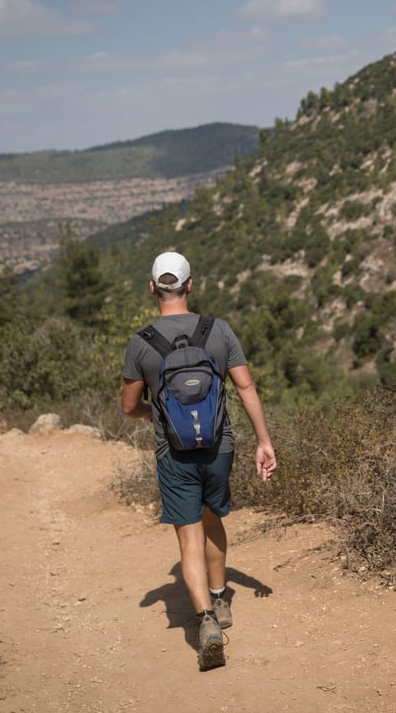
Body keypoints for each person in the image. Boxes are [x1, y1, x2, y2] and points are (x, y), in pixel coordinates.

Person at [120, 250, 277, 671]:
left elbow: (129, 405)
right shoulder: (218, 331)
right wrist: (264, 441)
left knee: (188, 535)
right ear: (191, 285)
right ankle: (222, 598)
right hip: (219, 448)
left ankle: (206, 621)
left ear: (153, 288)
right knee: (213, 519)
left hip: (173, 450)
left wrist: (155, 413)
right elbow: (246, 389)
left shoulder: (141, 342)